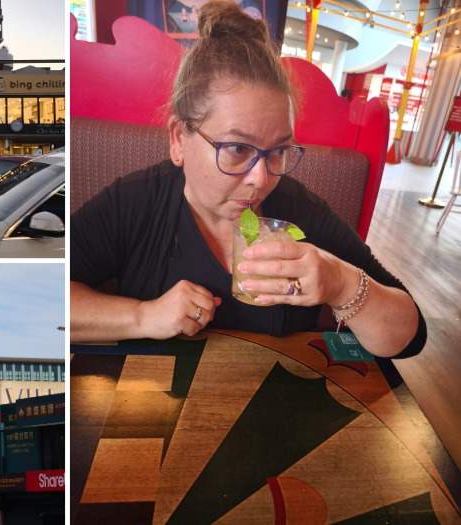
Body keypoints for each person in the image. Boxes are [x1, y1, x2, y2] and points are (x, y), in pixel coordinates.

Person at [70, 0, 425, 359]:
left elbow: (409, 337)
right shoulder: (136, 202)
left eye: (278, 150)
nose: (261, 179)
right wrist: (142, 316)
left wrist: (340, 283)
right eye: (237, 148)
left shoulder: (298, 210)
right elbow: (44, 295)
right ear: (179, 138)